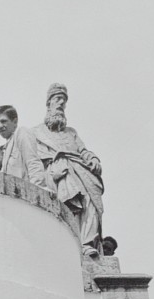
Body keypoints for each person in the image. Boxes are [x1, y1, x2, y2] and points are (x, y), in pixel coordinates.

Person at [31, 85, 104, 255]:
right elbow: (33, 162)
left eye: (64, 100)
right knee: (70, 199)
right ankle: (70, 243)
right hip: (56, 174)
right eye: (57, 99)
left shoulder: (72, 133)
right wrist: (50, 173)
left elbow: (83, 151)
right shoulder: (36, 132)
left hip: (80, 170)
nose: (61, 103)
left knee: (91, 201)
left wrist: (92, 159)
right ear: (48, 103)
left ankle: (87, 244)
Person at [0, 106, 46, 187]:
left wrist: (36, 191)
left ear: (15, 121)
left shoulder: (21, 133)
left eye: (3, 121)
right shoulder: (6, 147)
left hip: (26, 194)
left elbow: (33, 163)